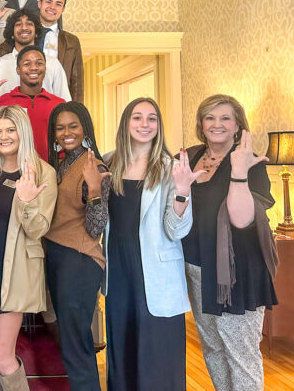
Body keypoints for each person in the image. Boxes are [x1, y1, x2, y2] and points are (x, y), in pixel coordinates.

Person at [103, 98, 200, 390]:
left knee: (157, 357)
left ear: (158, 126)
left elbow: (176, 230)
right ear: (126, 123)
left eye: (152, 119)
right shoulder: (108, 162)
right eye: (137, 117)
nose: (144, 124)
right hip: (118, 274)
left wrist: (182, 191)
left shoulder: (172, 169)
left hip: (155, 274)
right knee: (122, 353)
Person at [182, 94, 277, 391]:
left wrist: (238, 172)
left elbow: (242, 219)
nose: (217, 124)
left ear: (238, 125)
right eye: (210, 117)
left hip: (238, 272)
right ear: (201, 124)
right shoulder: (190, 157)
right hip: (197, 268)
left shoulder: (251, 163)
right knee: (212, 348)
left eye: (225, 118)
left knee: (241, 354)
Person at [0, 105, 57, 391]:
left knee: (1, 355)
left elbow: (37, 230)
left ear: (23, 132)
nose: (3, 136)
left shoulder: (43, 173)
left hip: (16, 275)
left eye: (10, 130)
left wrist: (27, 200)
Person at [43, 101, 110, 390]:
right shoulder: (62, 162)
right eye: (60, 128)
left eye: (73, 126)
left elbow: (96, 227)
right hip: (59, 256)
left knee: (77, 345)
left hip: (79, 261)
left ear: (84, 128)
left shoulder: (94, 166)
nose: (66, 132)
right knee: (70, 342)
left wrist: (95, 190)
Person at [0, 46, 65, 161]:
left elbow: (64, 143)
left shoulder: (58, 105)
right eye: (27, 64)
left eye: (39, 63)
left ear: (45, 68)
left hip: (48, 172)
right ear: (18, 69)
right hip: (10, 173)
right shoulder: (3, 103)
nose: (34, 68)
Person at [0, 8, 70, 100]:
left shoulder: (52, 63)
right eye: (18, 24)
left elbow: (64, 101)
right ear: (12, 34)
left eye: (29, 24)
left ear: (36, 32)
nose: (24, 27)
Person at [37, 0, 84, 102]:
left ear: (63, 9)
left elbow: (77, 83)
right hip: (27, 102)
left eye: (58, 4)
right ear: (39, 4)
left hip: (59, 102)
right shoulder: (24, 33)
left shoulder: (72, 41)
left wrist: (77, 112)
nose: (52, 7)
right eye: (48, 1)